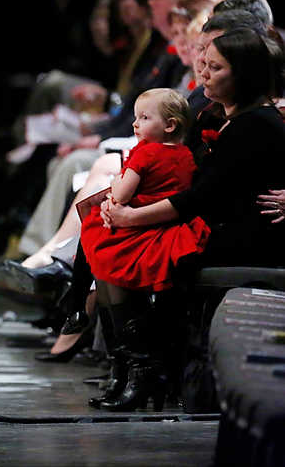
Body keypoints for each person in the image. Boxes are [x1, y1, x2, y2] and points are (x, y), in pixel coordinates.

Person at [101, 27, 285, 408]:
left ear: (244, 75)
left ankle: (147, 367)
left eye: (215, 67)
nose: (203, 73)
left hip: (245, 237)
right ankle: (135, 364)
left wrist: (130, 218)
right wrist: (120, 210)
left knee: (118, 251)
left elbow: (199, 198)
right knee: (104, 243)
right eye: (204, 63)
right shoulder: (223, 117)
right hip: (217, 224)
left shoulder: (256, 125)